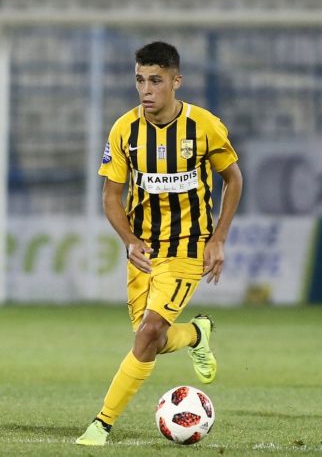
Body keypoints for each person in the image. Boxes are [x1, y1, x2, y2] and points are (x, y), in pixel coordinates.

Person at [76, 41, 243, 446]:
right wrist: (129, 241)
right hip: (145, 250)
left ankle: (101, 424)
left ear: (175, 81)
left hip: (188, 246)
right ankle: (196, 335)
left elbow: (233, 179)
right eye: (140, 80)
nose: (146, 90)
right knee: (149, 339)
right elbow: (110, 196)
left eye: (155, 81)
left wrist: (218, 238)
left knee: (148, 333)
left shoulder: (204, 126)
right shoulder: (124, 130)